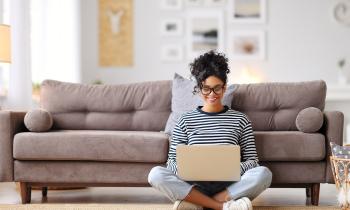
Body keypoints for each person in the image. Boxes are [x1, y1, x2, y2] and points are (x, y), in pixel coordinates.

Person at [148, 51, 272, 210]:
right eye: (206, 89)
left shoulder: (241, 120)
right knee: (156, 174)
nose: (212, 94)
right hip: (194, 184)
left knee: (264, 174)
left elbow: (253, 162)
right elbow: (171, 163)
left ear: (224, 87)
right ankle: (223, 206)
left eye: (217, 88)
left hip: (229, 185)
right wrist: (191, 170)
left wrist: (230, 169)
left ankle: (196, 203)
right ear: (199, 89)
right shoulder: (184, 121)